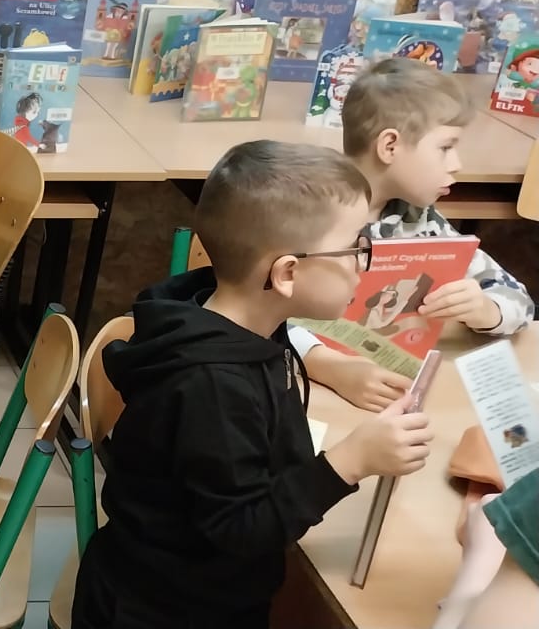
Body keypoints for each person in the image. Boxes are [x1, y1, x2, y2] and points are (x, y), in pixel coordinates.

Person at [72, 141, 435, 628]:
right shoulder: (212, 386)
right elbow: (242, 530)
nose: (362, 264)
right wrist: (351, 461)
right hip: (167, 611)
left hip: (189, 591)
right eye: (355, 248)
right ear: (287, 273)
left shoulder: (239, 321)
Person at [294, 58, 535, 412]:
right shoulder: (299, 216)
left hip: (391, 392)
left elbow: (519, 301)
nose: (457, 164)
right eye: (445, 147)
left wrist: (486, 310)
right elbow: (250, 314)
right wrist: (325, 365)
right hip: (305, 394)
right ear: (390, 146)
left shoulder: (418, 220)